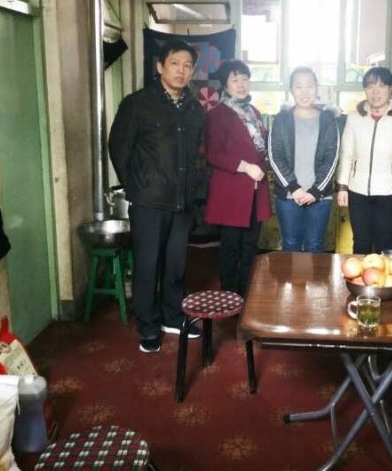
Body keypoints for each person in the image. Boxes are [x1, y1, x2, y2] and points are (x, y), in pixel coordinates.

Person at [109, 39, 205, 354]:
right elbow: (118, 148)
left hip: (182, 202)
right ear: (160, 66)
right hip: (149, 201)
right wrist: (136, 187)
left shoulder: (194, 108)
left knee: (176, 264)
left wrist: (195, 190)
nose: (181, 71)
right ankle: (148, 326)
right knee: (147, 266)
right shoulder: (137, 104)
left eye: (187, 66)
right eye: (175, 64)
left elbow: (197, 154)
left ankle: (172, 317)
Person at [336, 67, 392, 254]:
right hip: (357, 191)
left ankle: (384, 274)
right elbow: (346, 153)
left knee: (385, 243)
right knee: (360, 242)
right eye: (370, 86)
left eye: (381, 86)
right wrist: (342, 186)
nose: (375, 91)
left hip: (390, 192)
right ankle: (361, 273)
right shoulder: (354, 117)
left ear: (391, 89)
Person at [204, 59, 271, 296]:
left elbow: (261, 149)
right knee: (231, 246)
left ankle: (247, 293)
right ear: (225, 85)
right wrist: (245, 167)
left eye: (245, 79)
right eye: (235, 80)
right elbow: (213, 153)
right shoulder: (218, 114)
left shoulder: (254, 112)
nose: (241, 84)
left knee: (250, 245)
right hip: (231, 192)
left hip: (256, 191)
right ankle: (230, 295)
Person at [269, 67, 339, 252]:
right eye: (299, 87)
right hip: (288, 196)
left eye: (309, 86)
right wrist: (295, 188)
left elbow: (332, 157)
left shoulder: (328, 119)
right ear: (291, 90)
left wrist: (316, 191)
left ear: (317, 88)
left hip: (320, 197)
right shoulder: (281, 119)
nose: (304, 92)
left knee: (315, 244)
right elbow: (275, 156)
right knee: (290, 244)